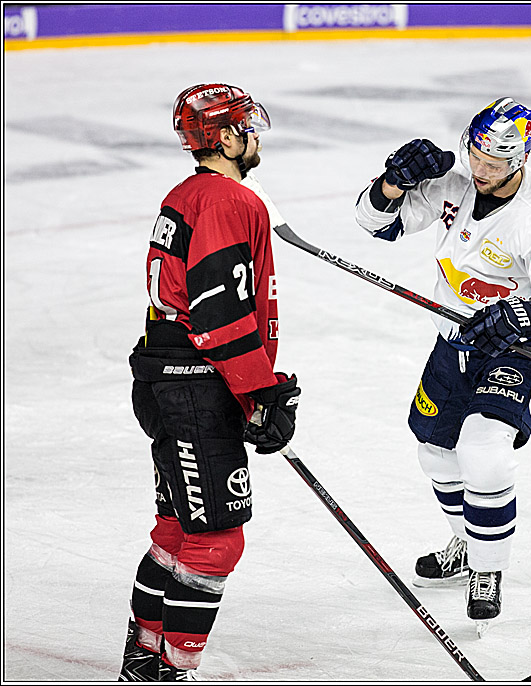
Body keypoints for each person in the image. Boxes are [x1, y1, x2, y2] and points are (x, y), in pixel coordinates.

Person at [354, 97, 531, 631]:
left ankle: (489, 570)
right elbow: (374, 223)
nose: (481, 170)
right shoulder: (458, 183)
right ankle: (466, 545)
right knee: (433, 446)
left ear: (521, 160)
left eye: (495, 163)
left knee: (484, 450)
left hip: (518, 347)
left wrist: (527, 312)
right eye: (476, 156)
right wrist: (393, 183)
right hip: (455, 336)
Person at [118, 83, 300, 680]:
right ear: (223, 138)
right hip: (197, 382)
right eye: (245, 125)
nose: (254, 134)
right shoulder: (227, 200)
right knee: (217, 539)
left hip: (170, 376)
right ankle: (172, 670)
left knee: (177, 529)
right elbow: (219, 307)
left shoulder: (191, 192)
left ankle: (145, 663)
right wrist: (259, 389)